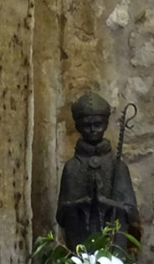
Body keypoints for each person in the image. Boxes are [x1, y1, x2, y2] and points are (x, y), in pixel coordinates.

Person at [56, 91, 138, 250]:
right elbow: (61, 216)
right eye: (87, 125)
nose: (93, 129)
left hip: (113, 247)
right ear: (79, 127)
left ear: (105, 124)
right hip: (81, 246)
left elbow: (132, 213)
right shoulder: (72, 167)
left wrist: (108, 203)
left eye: (98, 124)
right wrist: (82, 203)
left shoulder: (117, 166)